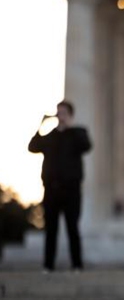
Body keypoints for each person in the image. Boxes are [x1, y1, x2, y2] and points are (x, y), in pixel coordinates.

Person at [27, 101, 92, 272]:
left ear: (70, 114)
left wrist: (70, 127)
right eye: (58, 112)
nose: (60, 115)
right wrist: (41, 125)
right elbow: (32, 147)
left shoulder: (78, 132)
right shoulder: (50, 136)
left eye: (63, 112)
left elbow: (86, 146)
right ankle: (48, 265)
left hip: (71, 189)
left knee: (72, 227)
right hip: (51, 189)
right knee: (51, 229)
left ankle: (77, 265)